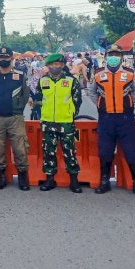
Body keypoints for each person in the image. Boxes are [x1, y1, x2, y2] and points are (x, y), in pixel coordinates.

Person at [88, 44, 135, 196]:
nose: (114, 57)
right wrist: (102, 104)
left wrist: (129, 103)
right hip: (106, 119)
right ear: (106, 56)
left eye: (116, 54)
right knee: (105, 151)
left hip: (125, 118)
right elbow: (92, 92)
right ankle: (104, 181)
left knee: (132, 151)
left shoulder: (129, 73)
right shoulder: (98, 73)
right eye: (111, 54)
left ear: (121, 57)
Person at [33, 53, 83, 193]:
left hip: (66, 122)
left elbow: (77, 100)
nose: (57, 66)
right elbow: (38, 98)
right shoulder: (43, 81)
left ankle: (74, 180)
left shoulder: (71, 80)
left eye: (60, 64)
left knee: (69, 151)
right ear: (48, 66)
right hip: (48, 122)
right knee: (48, 151)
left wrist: (71, 114)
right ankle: (50, 179)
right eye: (54, 64)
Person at [0, 47, 31, 191]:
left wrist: (17, 108)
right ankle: (1, 177)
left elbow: (25, 94)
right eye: (1, 57)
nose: (4, 59)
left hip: (15, 117)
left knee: (20, 148)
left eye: (6, 57)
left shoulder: (21, 75)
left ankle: (23, 177)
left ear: (11, 58)